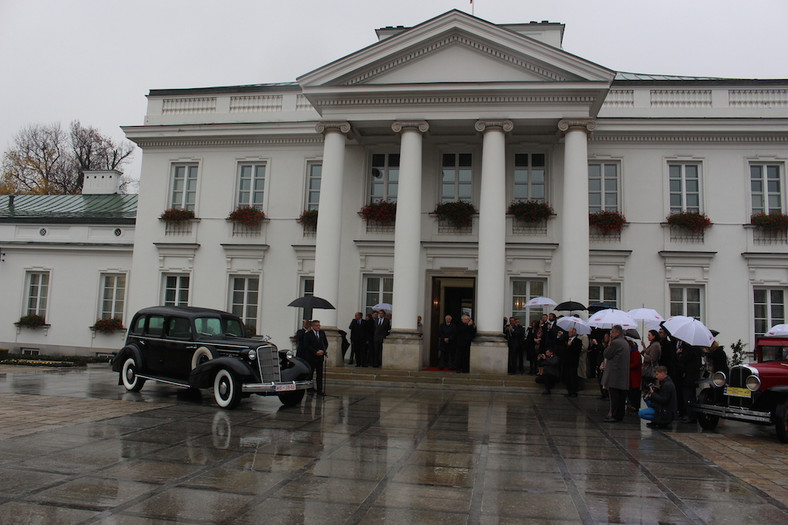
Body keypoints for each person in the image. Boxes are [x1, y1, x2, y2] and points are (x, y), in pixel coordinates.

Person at [601, 325, 629, 422]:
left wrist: (609, 344)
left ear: (617, 332)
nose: (611, 334)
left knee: (614, 396)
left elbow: (607, 354)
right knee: (621, 397)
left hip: (615, 374)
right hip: (622, 374)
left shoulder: (616, 343)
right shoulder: (625, 342)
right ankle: (619, 415)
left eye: (612, 332)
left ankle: (614, 415)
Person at [675, 339, 701, 423]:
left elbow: (683, 360)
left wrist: (679, 353)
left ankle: (690, 415)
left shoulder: (690, 349)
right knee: (690, 396)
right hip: (692, 376)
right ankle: (691, 415)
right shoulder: (695, 348)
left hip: (688, 376)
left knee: (688, 397)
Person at [303, 319, 328, 396]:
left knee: (319, 374)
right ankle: (310, 389)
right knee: (310, 374)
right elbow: (307, 346)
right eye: (317, 325)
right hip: (312, 357)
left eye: (319, 325)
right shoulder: (308, 334)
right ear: (313, 326)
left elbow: (325, 343)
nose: (318, 327)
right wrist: (315, 352)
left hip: (320, 357)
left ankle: (320, 390)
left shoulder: (322, 333)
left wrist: (323, 351)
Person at [562, 327, 583, 397]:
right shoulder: (566, 340)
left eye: (570, 332)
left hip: (573, 361)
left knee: (573, 376)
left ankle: (574, 391)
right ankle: (569, 391)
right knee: (567, 376)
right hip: (566, 361)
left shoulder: (578, 341)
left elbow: (578, 351)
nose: (569, 333)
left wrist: (571, 346)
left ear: (574, 333)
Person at [628, 337, 642, 411]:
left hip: (635, 375)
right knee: (632, 390)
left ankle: (635, 405)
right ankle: (633, 404)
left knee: (635, 390)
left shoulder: (635, 353)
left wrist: (628, 366)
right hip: (632, 375)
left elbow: (635, 363)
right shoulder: (632, 353)